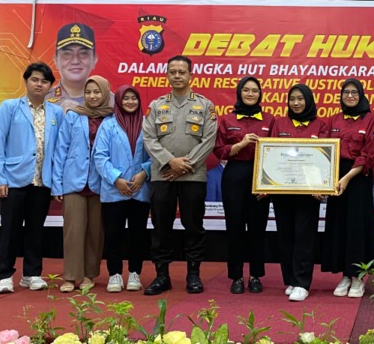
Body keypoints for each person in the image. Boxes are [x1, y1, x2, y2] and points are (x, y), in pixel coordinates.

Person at [142, 55, 218, 295]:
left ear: (190, 76)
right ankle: (161, 276)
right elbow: (149, 138)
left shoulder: (205, 106)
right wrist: (170, 162)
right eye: (172, 72)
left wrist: (185, 165)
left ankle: (193, 275)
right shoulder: (156, 106)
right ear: (167, 75)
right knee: (161, 225)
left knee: (193, 225)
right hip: (162, 174)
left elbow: (209, 140)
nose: (177, 76)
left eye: (181, 72)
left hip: (192, 176)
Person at [0, 62, 63, 294]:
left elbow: (59, 151)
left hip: (42, 181)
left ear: (50, 86)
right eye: (35, 79)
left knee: (36, 230)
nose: (39, 84)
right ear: (26, 81)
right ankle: (4, 275)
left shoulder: (56, 113)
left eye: (44, 81)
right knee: (10, 230)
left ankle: (32, 274)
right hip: (14, 179)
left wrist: (57, 184)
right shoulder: (10, 107)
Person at [51, 76, 113, 293]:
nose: (92, 96)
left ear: (105, 93)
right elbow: (60, 149)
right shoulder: (73, 116)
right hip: (73, 181)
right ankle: (70, 276)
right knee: (73, 232)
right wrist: (57, 184)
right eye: (88, 92)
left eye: (97, 92)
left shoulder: (111, 118)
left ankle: (89, 274)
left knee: (95, 233)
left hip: (101, 183)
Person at [213, 76, 274, 294]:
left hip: (261, 177)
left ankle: (256, 275)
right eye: (246, 90)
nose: (250, 94)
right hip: (234, 175)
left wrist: (269, 185)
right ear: (239, 93)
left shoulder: (269, 120)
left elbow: (277, 152)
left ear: (260, 94)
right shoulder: (228, 119)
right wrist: (241, 144)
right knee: (235, 227)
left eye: (254, 91)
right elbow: (218, 150)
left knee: (258, 228)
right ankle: (236, 276)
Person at [322, 78, 374, 298]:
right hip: (335, 178)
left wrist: (346, 178)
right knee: (338, 226)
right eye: (346, 92)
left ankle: (357, 277)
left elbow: (368, 154)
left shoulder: (371, 120)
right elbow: (325, 150)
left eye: (354, 92)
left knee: (357, 228)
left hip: (357, 178)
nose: (350, 96)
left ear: (361, 95)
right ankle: (344, 275)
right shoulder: (334, 120)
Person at [271, 84, 329, 302]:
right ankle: (291, 280)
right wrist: (268, 184)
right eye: (292, 99)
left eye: (300, 99)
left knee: (305, 237)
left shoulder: (320, 125)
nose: (296, 103)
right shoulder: (279, 124)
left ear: (309, 101)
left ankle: (303, 283)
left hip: (309, 192)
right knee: (285, 235)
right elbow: (271, 155)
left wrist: (321, 186)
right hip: (282, 189)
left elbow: (325, 159)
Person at [93, 85, 151, 293]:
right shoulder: (108, 125)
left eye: (133, 98)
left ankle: (135, 273)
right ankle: (114, 274)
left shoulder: (147, 124)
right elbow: (100, 156)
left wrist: (144, 173)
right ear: (118, 101)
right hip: (114, 191)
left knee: (138, 235)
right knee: (113, 235)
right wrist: (116, 179)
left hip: (140, 189)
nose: (130, 102)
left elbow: (155, 154)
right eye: (125, 98)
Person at [46, 23, 99, 110]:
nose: (75, 61)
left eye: (83, 53)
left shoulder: (111, 102)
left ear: (94, 59)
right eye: (67, 54)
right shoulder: (39, 102)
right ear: (56, 60)